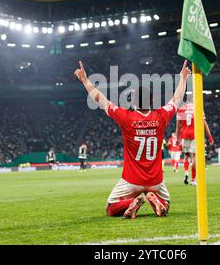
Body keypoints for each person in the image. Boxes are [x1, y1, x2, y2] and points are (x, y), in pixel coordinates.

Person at [74, 60, 190, 218]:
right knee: (166, 206)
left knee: (110, 208)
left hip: (131, 180)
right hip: (155, 180)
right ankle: (155, 199)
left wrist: (85, 80)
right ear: (152, 102)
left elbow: (101, 100)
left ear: (133, 102)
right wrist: (183, 78)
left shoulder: (126, 117)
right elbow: (176, 100)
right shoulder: (161, 116)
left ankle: (132, 202)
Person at [176, 97, 214, 185]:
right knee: (195, 158)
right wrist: (210, 137)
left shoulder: (181, 109)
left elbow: (178, 125)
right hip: (195, 135)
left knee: (186, 156)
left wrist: (178, 138)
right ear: (193, 100)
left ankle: (186, 172)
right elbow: (204, 123)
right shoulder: (198, 108)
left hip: (184, 135)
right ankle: (193, 179)